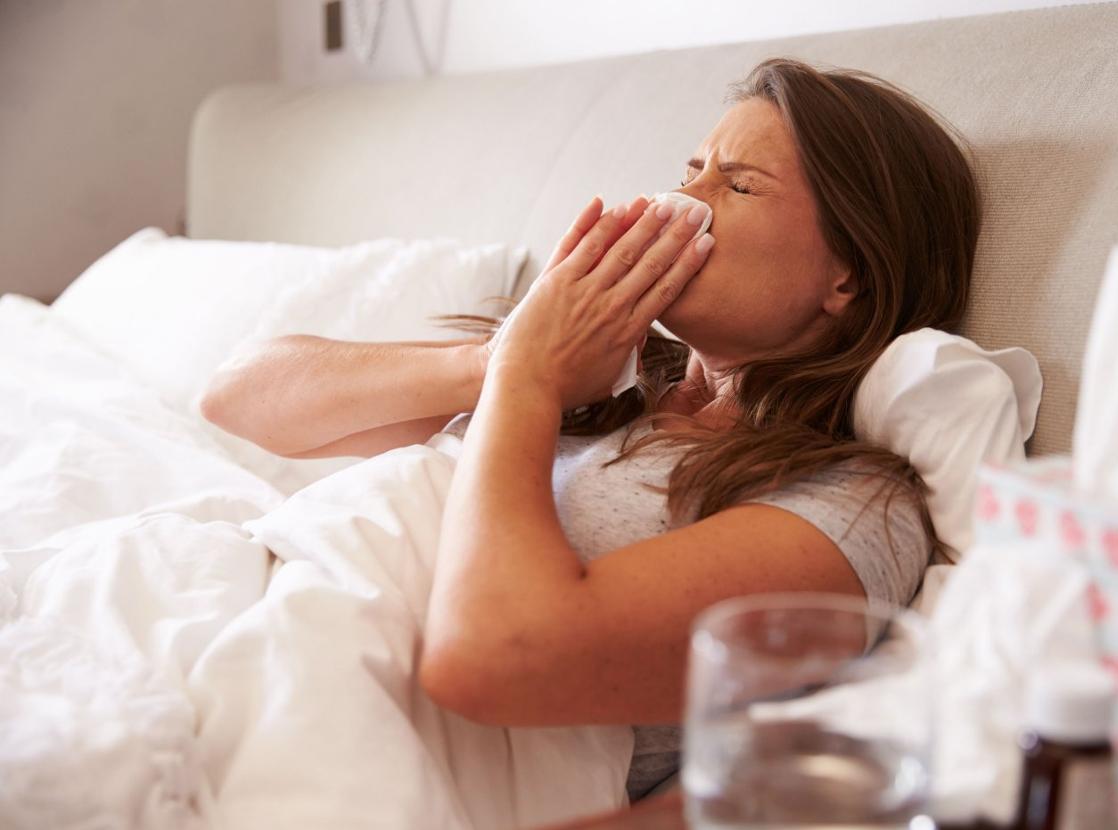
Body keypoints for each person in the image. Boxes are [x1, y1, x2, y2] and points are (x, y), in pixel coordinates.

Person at [200, 57, 981, 802]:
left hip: (342, 714)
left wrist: (527, 382)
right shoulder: (594, 372)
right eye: (689, 173)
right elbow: (239, 395)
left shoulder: (852, 504)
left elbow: (494, 661)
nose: (680, 203)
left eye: (739, 185)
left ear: (848, 274)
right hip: (224, 613)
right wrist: (504, 361)